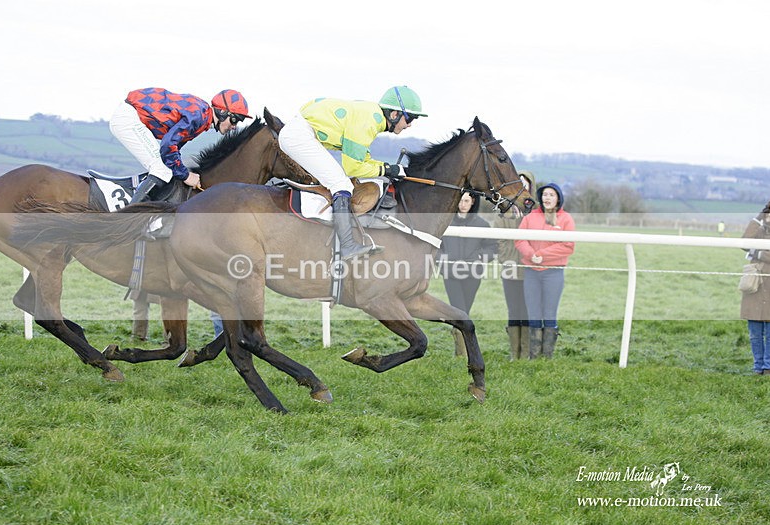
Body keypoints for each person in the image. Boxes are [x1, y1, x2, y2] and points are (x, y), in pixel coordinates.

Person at [277, 86, 426, 259]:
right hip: (299, 136)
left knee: (341, 180)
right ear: (394, 114)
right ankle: (347, 245)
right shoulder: (370, 120)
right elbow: (353, 167)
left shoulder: (372, 117)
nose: (410, 125)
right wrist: (386, 169)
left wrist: (388, 168)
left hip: (301, 133)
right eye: (410, 118)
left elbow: (363, 158)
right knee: (341, 184)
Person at [110, 87, 251, 204]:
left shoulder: (203, 117)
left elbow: (174, 150)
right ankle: (129, 218)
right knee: (161, 169)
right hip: (128, 119)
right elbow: (167, 145)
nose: (234, 127)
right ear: (222, 112)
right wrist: (186, 176)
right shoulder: (199, 117)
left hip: (131, 116)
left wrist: (181, 171)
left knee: (165, 167)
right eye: (234, 120)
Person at [515, 182, 575, 359]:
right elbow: (519, 240)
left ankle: (547, 355)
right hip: (532, 272)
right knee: (533, 312)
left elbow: (568, 246)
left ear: (558, 198)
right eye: (545, 194)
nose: (547, 198)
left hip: (554, 272)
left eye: (551, 195)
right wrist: (531, 254)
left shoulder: (565, 219)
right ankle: (534, 355)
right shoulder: (530, 218)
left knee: (549, 312)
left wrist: (542, 254)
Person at [438, 192, 498, 356]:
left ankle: (464, 348)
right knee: (459, 311)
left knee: (465, 312)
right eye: (460, 200)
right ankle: (462, 354)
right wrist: (443, 258)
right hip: (451, 273)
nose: (463, 204)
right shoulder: (445, 222)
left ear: (472, 202)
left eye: (466, 200)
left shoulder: (482, 224)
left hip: (473, 274)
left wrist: (479, 257)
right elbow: (436, 245)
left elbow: (492, 247)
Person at [489, 171, 535, 360]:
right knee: (513, 309)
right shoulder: (504, 211)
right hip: (509, 267)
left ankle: (525, 352)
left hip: (530, 269)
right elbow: (498, 240)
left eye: (526, 185)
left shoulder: (535, 212)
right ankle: (513, 353)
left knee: (527, 310)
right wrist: (504, 259)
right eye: (519, 184)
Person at [740, 201, 770, 375]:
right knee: (755, 329)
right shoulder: (760, 230)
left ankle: (769, 367)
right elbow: (744, 242)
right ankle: (757, 366)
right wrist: (758, 218)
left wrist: (757, 253)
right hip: (755, 284)